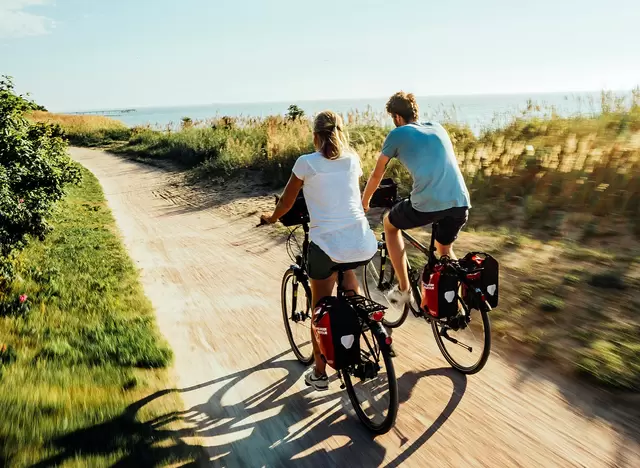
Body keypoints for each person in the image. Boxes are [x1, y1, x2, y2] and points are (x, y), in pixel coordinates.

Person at [261, 110, 377, 391]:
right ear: (340, 131)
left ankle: (320, 372)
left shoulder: (306, 163)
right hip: (362, 242)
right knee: (348, 275)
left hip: (327, 245)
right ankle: (363, 324)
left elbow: (287, 202)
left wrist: (271, 218)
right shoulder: (353, 159)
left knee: (319, 307)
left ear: (315, 135)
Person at [361, 91, 471, 307]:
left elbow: (377, 174)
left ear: (397, 117)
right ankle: (460, 299)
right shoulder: (438, 127)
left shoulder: (398, 133)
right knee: (444, 250)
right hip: (460, 200)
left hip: (428, 202)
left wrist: (364, 202)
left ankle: (404, 290)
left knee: (389, 224)